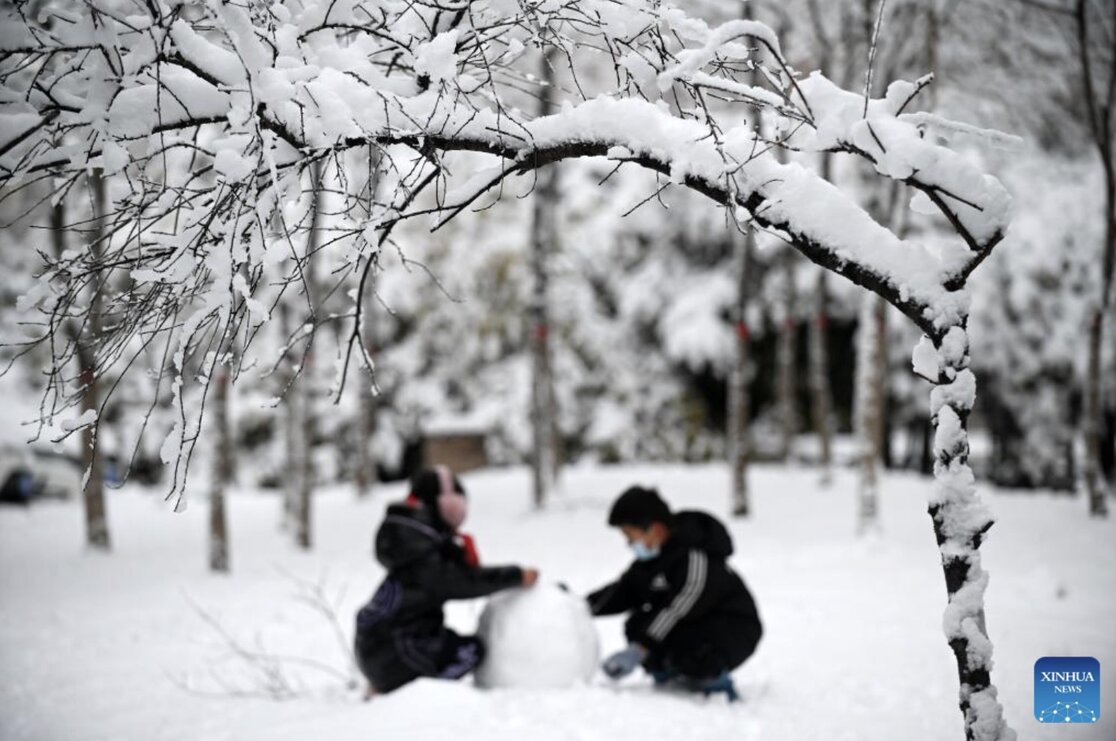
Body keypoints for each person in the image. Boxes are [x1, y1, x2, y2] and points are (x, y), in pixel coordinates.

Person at [354, 466, 539, 697]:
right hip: (400, 651)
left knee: (451, 641)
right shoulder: (424, 556)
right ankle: (418, 693)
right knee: (471, 650)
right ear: (446, 505)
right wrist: (516, 575)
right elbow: (463, 581)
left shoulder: (413, 542)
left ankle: (388, 683)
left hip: (380, 648)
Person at [587, 486, 762, 700]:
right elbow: (623, 592)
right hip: (692, 623)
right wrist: (580, 606)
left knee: (683, 640)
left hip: (732, 629)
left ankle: (714, 684)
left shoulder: (696, 558)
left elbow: (678, 607)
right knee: (638, 623)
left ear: (656, 529)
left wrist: (641, 648)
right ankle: (671, 673)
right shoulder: (651, 562)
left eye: (632, 537)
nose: (630, 545)